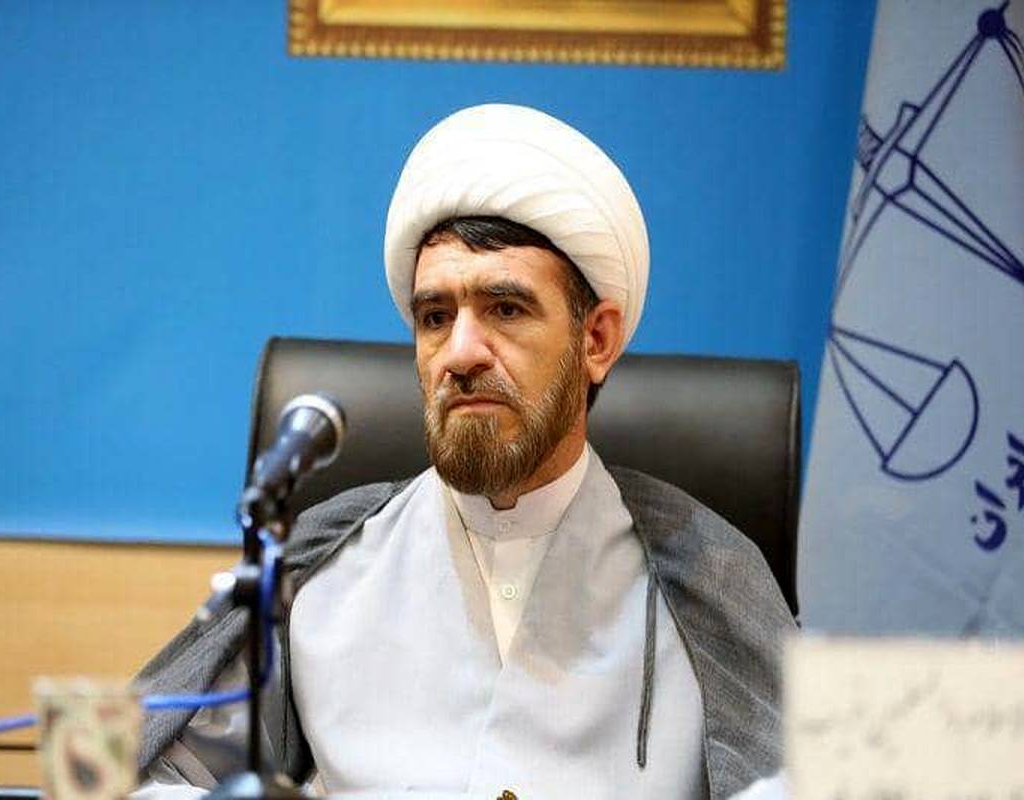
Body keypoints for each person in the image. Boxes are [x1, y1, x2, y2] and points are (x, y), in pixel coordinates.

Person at [133, 104, 794, 799]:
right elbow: (153, 778)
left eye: (506, 309)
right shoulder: (323, 567)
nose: (461, 352)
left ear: (596, 340)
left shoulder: (709, 582)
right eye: (435, 317)